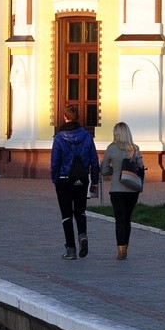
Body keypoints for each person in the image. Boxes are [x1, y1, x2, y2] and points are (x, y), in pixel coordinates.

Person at [50, 105, 99, 259]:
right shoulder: (87, 136)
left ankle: (71, 249)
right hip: (81, 179)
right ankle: (83, 236)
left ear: (65, 117)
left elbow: (55, 162)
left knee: (66, 215)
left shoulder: (59, 138)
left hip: (64, 180)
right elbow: (94, 161)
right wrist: (94, 181)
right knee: (80, 211)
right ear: (77, 117)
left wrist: (55, 180)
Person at [99, 121, 144, 259]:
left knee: (119, 219)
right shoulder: (135, 149)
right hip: (132, 189)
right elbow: (141, 167)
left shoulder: (111, 149)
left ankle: (120, 249)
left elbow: (104, 170)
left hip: (117, 189)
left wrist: (116, 170)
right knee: (127, 218)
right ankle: (126, 247)